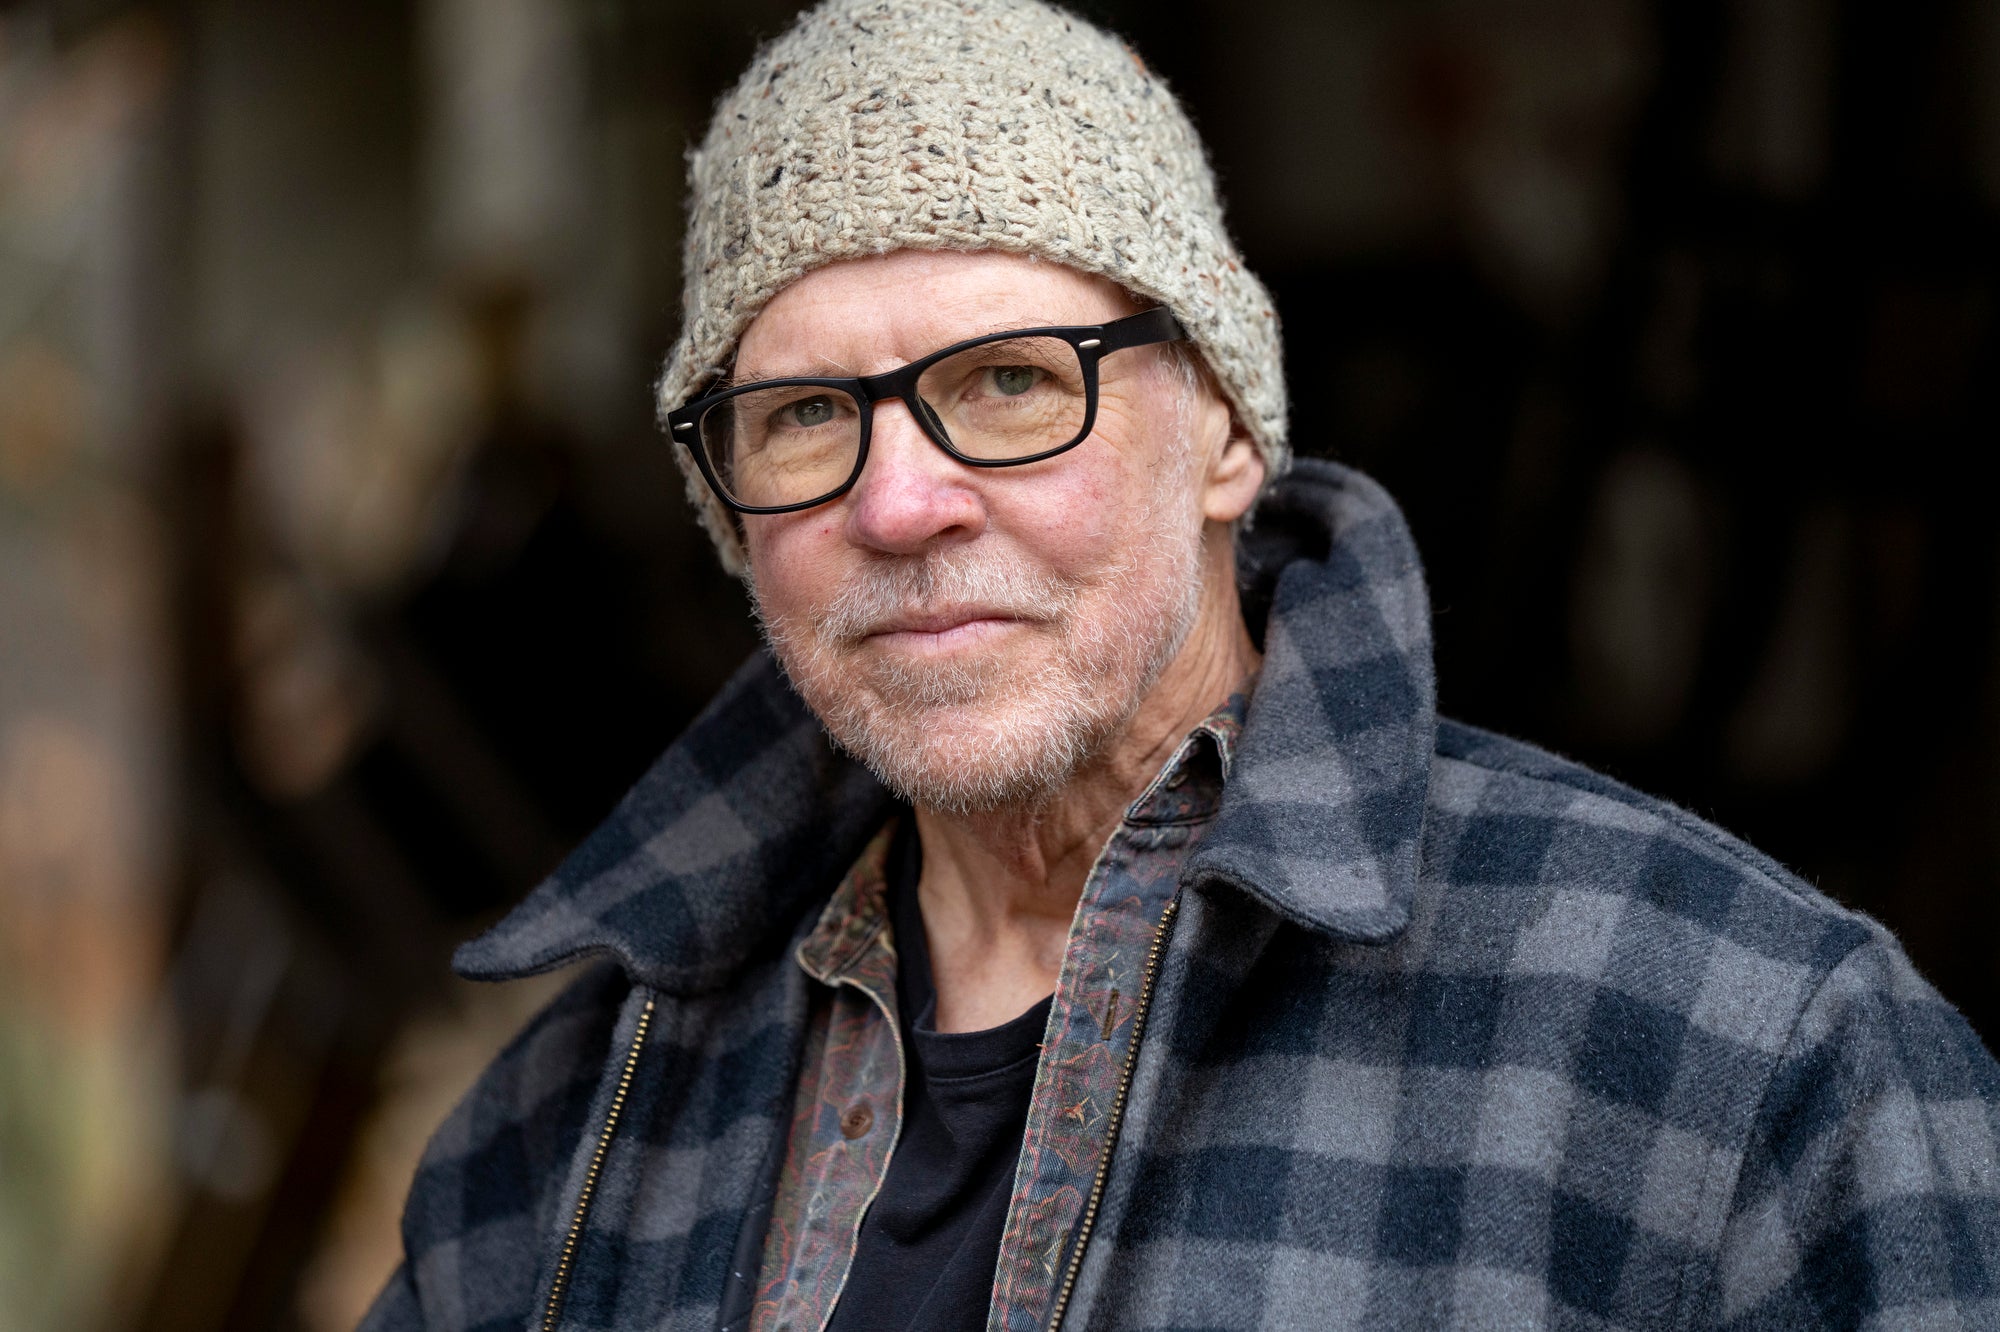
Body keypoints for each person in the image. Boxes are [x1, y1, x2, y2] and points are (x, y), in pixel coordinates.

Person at [362, 1, 2000, 1328]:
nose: (899, 500)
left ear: (1222, 427)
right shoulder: (570, 1127)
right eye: (804, 415)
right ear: (730, 507)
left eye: (1008, 380)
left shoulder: (1745, 1056)